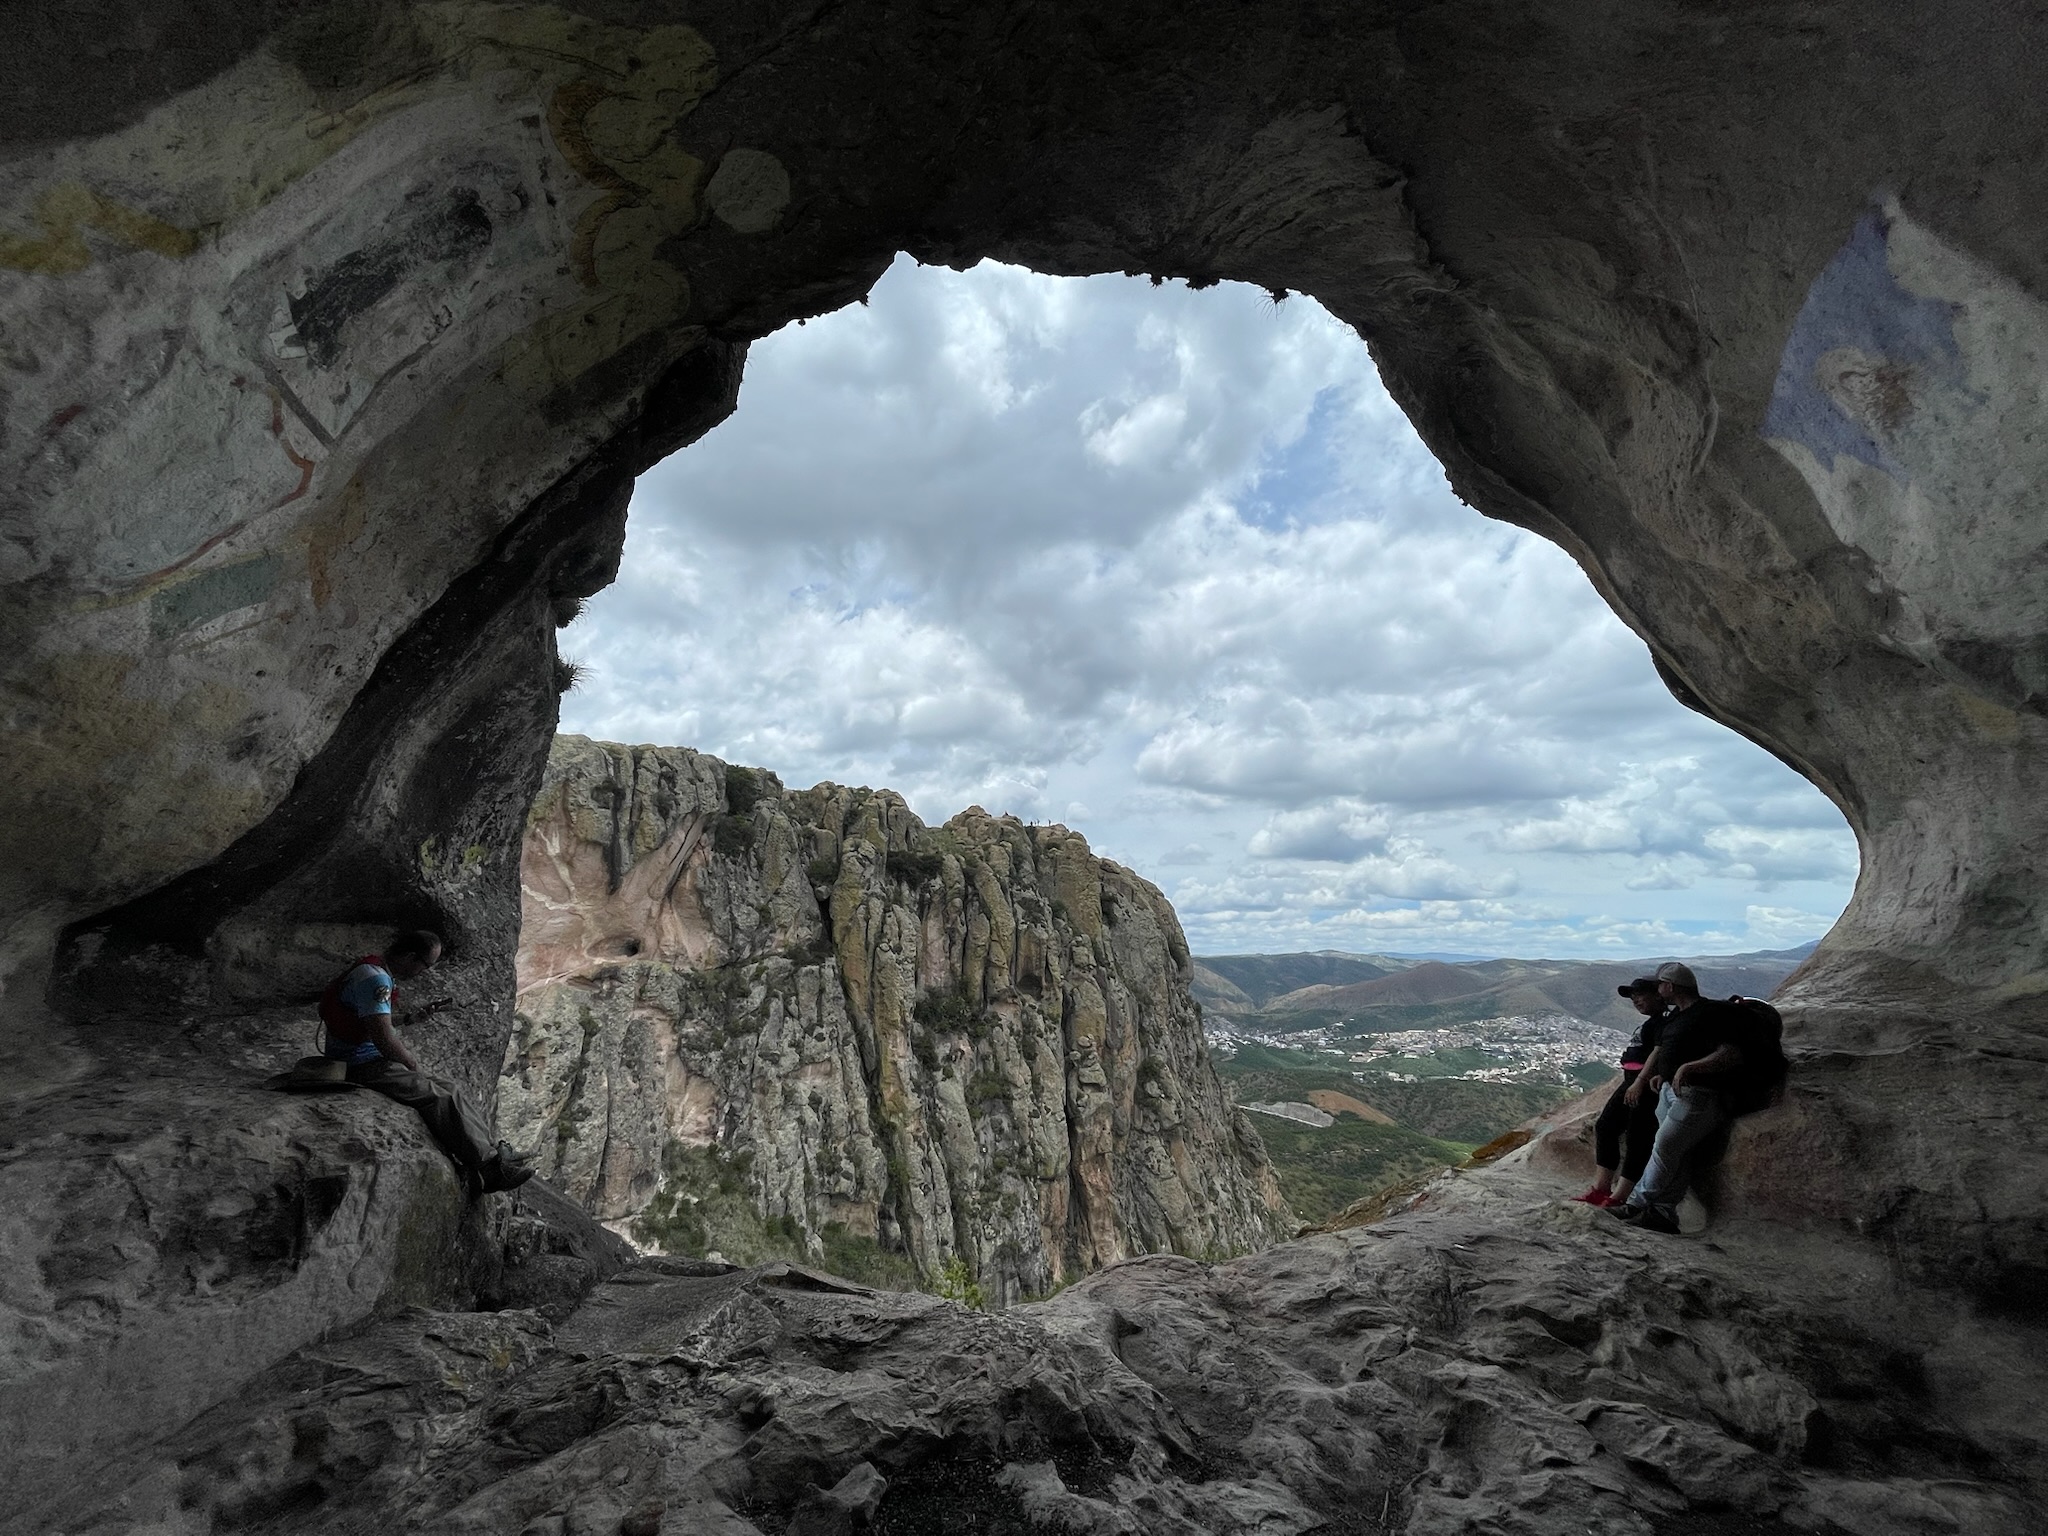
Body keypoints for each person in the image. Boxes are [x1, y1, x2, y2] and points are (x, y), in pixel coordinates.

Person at [320, 930, 533, 1197]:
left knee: (450, 1089)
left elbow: (372, 1020)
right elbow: (384, 1039)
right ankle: (491, 1171)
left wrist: (409, 1019)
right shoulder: (377, 981)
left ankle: (492, 1150)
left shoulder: (372, 970)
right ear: (410, 956)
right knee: (436, 1097)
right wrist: (410, 1063)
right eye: (425, 965)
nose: (425, 972)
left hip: (366, 1057)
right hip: (359, 1064)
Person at [1606, 961, 1744, 1234]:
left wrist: (1689, 1068)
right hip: (1670, 1091)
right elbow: (1669, 1050)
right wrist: (1664, 1074)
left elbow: (1730, 1052)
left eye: (1660, 984)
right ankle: (1663, 1215)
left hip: (1698, 1093)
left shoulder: (1707, 1013)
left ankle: (1635, 1204)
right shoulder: (1678, 1016)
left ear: (1670, 986)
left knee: (1664, 1146)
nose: (1658, 989)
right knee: (1679, 1154)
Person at [1569, 977, 1670, 1207]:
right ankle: (1601, 1188)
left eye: (1641, 994)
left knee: (1638, 1136)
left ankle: (1619, 1196)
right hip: (1631, 1080)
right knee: (1605, 1126)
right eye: (1632, 996)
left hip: (1644, 1084)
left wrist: (1641, 1081)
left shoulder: (1664, 1021)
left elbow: (1659, 1051)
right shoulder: (1653, 1021)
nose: (1635, 999)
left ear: (1659, 995)